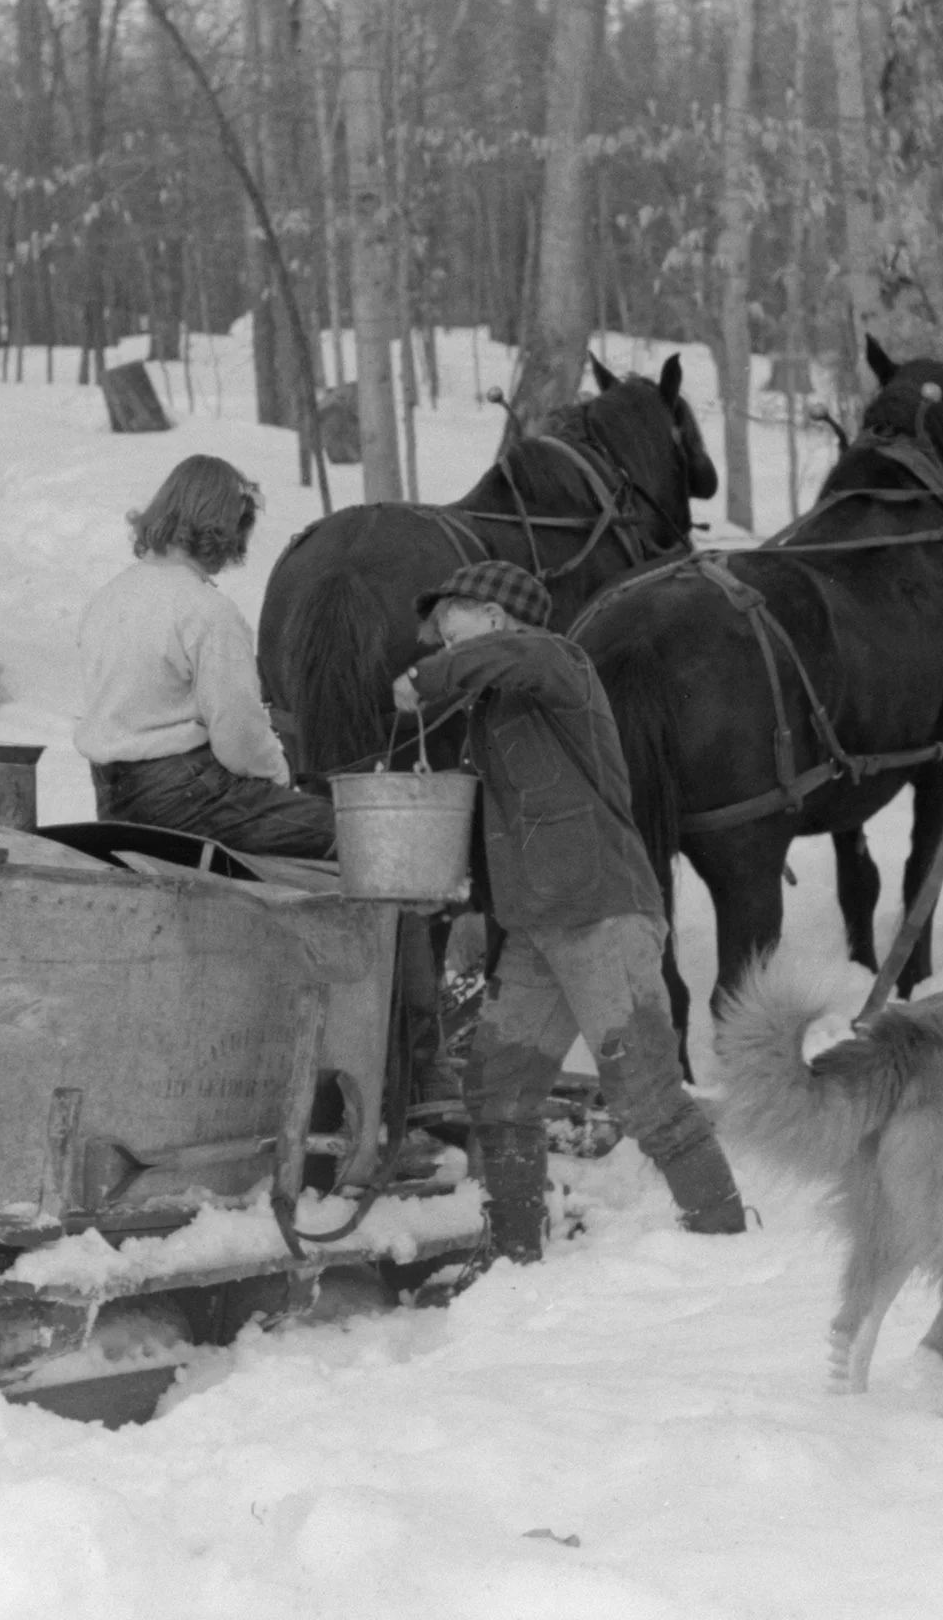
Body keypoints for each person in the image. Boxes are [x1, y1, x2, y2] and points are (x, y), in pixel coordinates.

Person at [392, 558, 745, 1259]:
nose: (436, 637)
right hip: (536, 926)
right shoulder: (495, 704)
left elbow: (516, 656)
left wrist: (428, 679)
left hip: (600, 912)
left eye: (448, 620)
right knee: (497, 1088)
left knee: (645, 1092)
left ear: (493, 617)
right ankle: (514, 1255)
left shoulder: (558, 663)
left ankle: (725, 1241)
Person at [75, 455, 334, 858]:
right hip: (187, 799)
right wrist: (279, 775)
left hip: (114, 800)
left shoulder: (108, 597)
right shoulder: (206, 611)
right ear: (224, 526)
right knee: (353, 833)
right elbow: (238, 735)